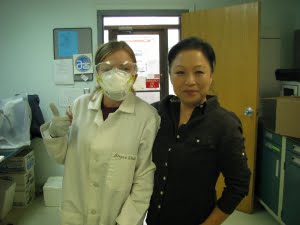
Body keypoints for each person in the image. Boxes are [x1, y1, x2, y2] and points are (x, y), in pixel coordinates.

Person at [40, 41, 160, 225]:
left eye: (125, 68)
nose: (116, 74)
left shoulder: (147, 116)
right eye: (107, 68)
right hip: (76, 212)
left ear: (134, 75)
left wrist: (126, 221)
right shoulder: (80, 105)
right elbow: (64, 157)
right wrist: (56, 135)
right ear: (98, 74)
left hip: (117, 217)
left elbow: (143, 178)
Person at [146, 37, 251, 225]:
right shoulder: (153, 114)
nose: (190, 81)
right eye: (180, 72)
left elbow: (239, 184)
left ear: (211, 75)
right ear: (169, 75)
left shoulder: (225, 123)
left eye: (199, 72)